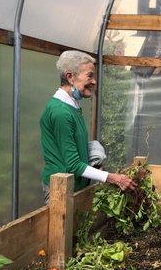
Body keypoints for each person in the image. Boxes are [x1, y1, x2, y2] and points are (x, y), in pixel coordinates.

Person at [40, 50, 136, 202]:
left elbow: (73, 147)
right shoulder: (60, 112)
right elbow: (72, 165)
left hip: (74, 186)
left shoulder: (72, 106)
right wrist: (113, 178)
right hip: (60, 190)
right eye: (89, 75)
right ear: (70, 77)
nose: (94, 81)